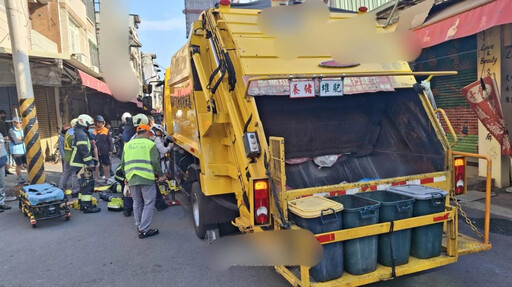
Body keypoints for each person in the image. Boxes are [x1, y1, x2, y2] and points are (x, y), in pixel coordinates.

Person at [120, 124, 165, 238]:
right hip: (146, 177)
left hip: (132, 177)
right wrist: (161, 175)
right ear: (146, 133)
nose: (150, 136)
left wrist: (126, 178)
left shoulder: (128, 145)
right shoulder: (150, 144)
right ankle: (144, 230)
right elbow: (155, 162)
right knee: (149, 202)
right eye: (149, 134)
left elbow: (122, 164)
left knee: (137, 202)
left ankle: (139, 225)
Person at [70, 114, 100, 213]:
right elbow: (83, 150)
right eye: (89, 125)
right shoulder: (81, 134)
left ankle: (82, 203)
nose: (90, 127)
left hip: (78, 164)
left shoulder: (80, 132)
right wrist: (90, 163)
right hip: (81, 164)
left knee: (83, 184)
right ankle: (87, 206)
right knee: (88, 184)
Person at [59, 119, 77, 193]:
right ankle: (75, 189)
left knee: (66, 173)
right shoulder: (73, 134)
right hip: (72, 157)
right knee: (74, 173)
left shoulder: (67, 134)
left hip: (67, 156)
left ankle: (61, 187)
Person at [93, 115, 113, 183]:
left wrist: (111, 150)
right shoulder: (93, 131)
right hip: (95, 151)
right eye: (99, 122)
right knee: (96, 165)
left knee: (106, 164)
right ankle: (95, 179)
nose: (101, 124)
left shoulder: (106, 130)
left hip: (105, 150)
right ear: (96, 123)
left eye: (101, 122)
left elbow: (110, 141)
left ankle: (107, 178)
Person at [8, 117, 26, 184]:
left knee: (27, 164)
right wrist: (23, 139)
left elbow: (27, 137)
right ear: (14, 123)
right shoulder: (11, 131)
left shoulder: (23, 129)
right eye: (17, 122)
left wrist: (21, 138)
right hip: (16, 151)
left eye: (20, 122)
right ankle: (19, 177)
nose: (19, 124)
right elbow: (15, 141)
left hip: (24, 150)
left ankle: (31, 176)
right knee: (19, 165)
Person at [0, 132, 11, 212]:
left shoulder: (0, 134)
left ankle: (1, 203)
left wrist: (6, 161)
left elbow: (3, 149)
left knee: (1, 185)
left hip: (1, 162)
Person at [0, 111, 12, 176]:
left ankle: (6, 170)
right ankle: (3, 170)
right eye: (1, 114)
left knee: (7, 155)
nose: (3, 115)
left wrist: (8, 137)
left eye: (4, 114)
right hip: (1, 141)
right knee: (2, 155)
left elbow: (9, 131)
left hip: (7, 141)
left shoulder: (6, 123)